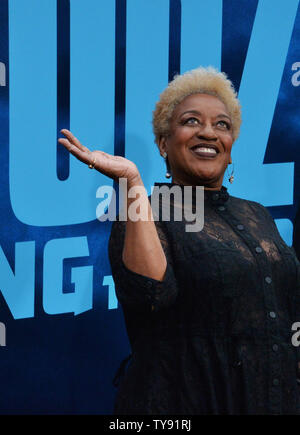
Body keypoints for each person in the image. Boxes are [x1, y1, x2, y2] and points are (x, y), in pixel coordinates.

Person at [58, 66, 300, 415]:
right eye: (191, 121)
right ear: (162, 143)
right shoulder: (145, 208)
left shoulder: (258, 214)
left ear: (231, 149)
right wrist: (131, 181)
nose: (208, 132)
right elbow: (151, 296)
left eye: (222, 125)